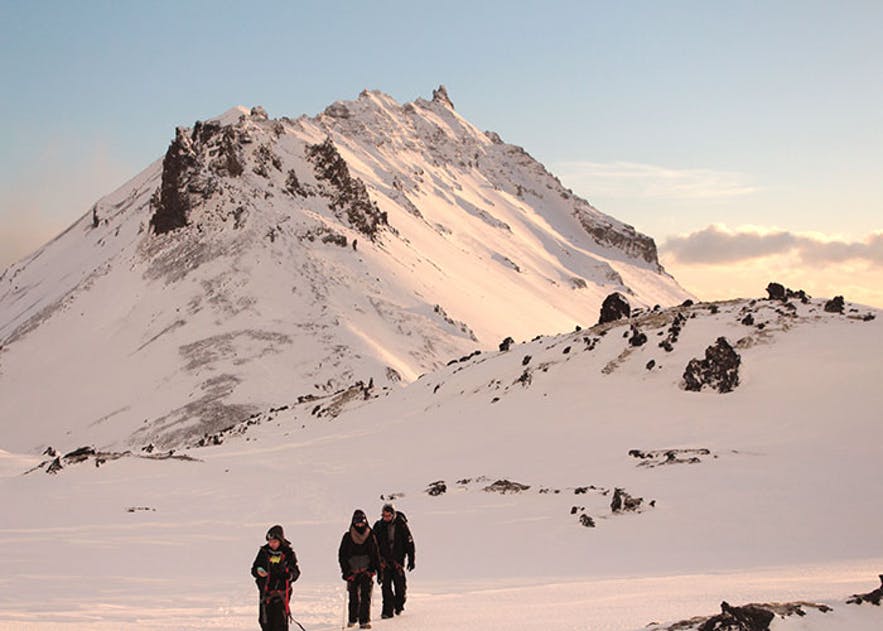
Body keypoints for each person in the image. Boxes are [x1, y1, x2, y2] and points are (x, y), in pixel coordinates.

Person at [251, 524, 301, 631]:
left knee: (280, 624)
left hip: (281, 594)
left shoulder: (288, 553)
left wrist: (290, 575)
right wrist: (258, 572)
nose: (271, 544)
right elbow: (254, 569)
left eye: (274, 541)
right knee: (265, 622)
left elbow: (296, 571)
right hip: (266, 594)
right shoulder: (264, 552)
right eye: (270, 542)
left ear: (280, 541)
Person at [338, 509, 381, 629]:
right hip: (352, 572)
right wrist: (346, 572)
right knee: (353, 597)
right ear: (353, 523)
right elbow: (342, 556)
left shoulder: (371, 535)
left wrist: (377, 571)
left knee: (366, 597)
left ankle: (364, 621)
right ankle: (352, 619)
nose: (359, 525)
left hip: (367, 571)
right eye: (357, 523)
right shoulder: (347, 537)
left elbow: (375, 554)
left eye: (361, 522)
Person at [372, 503, 415, 618]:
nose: (386, 518)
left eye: (388, 515)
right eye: (384, 515)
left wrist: (411, 558)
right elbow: (372, 544)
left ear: (393, 514)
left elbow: (409, 543)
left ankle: (399, 604)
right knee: (386, 588)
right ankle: (387, 611)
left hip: (397, 562)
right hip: (384, 562)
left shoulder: (401, 525)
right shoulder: (378, 526)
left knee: (400, 588)